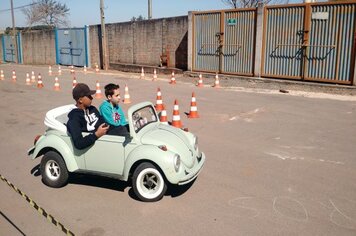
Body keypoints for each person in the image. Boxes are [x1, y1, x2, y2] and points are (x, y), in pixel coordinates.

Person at [67, 83, 109, 150]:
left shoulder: (92, 109)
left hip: (107, 138)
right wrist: (96, 135)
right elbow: (79, 143)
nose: (92, 98)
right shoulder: (74, 118)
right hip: (95, 147)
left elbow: (103, 122)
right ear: (80, 100)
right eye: (89, 96)